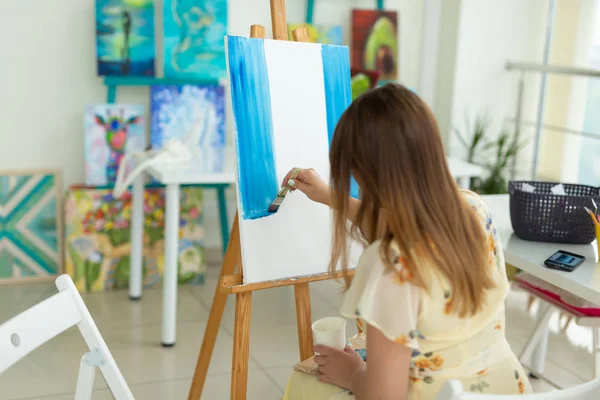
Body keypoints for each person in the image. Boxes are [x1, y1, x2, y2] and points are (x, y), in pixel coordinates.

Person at [281, 84, 532, 399]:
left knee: (307, 386)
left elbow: (384, 397)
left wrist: (352, 373)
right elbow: (402, 227)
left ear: (364, 173)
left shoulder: (394, 267)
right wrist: (331, 197)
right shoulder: (472, 209)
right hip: (511, 388)